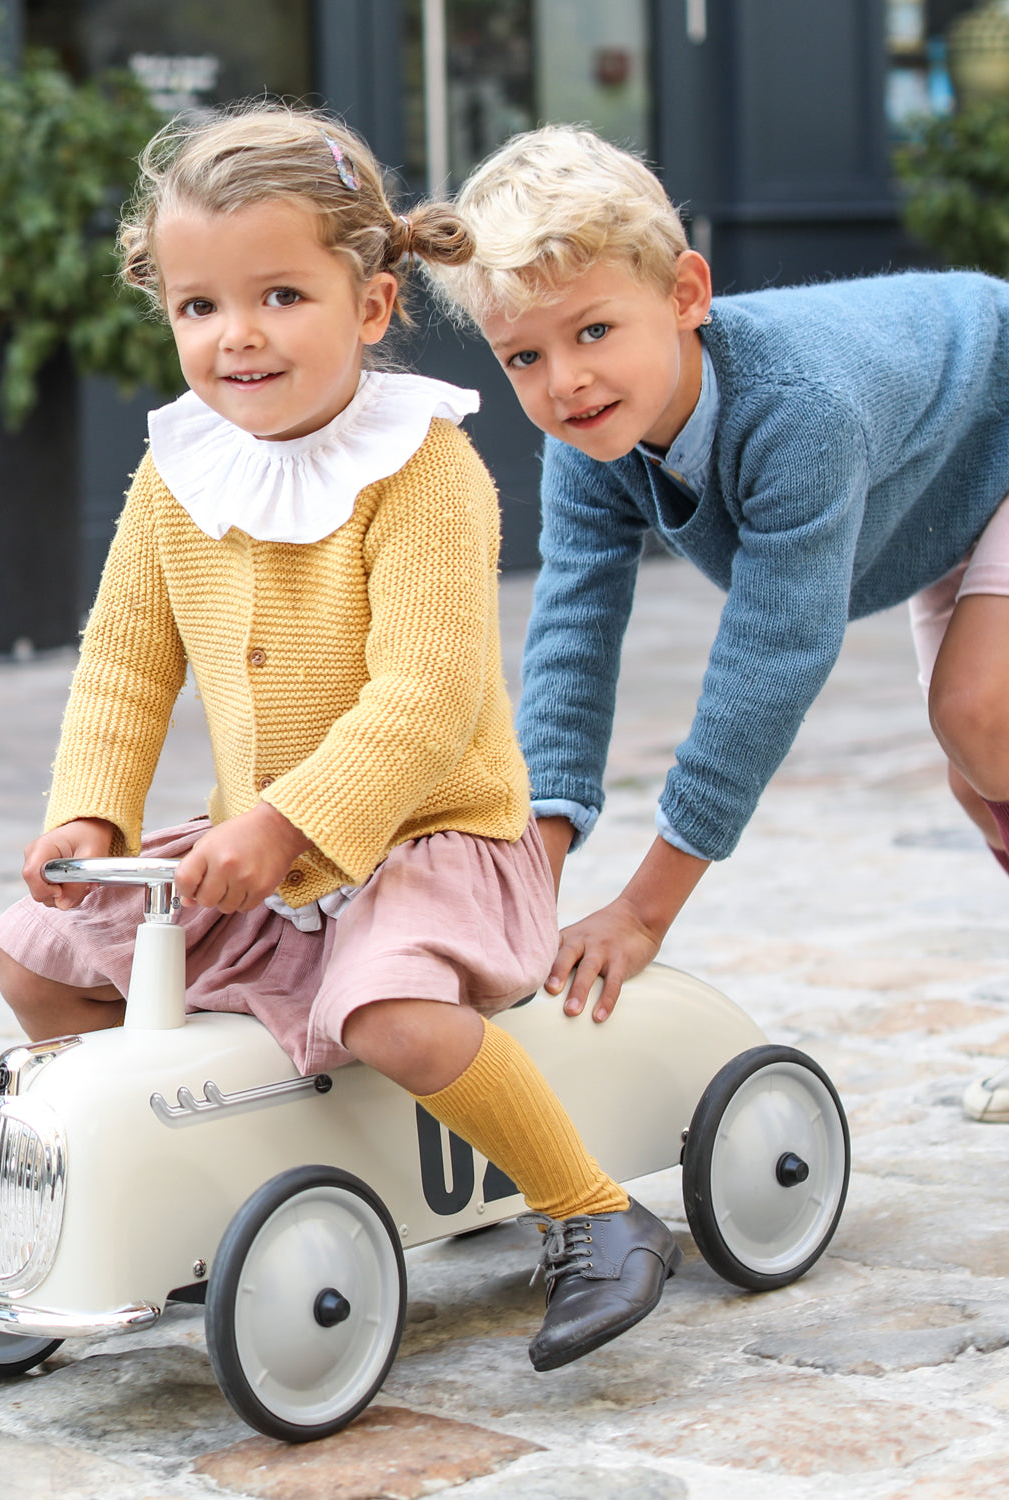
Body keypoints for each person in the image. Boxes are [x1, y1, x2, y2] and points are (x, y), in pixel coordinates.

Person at [0, 106, 683, 1372]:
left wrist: (291, 824)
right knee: (39, 959)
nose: (235, 334)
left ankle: (593, 1212)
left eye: (280, 295)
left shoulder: (426, 469)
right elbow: (126, 665)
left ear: (369, 306)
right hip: (267, 841)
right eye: (198, 307)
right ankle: (175, 1182)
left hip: (432, 835)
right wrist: (92, 808)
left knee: (394, 1016)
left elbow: (422, 699)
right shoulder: (177, 472)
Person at [427, 124, 1009, 1125]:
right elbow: (571, 638)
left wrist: (643, 909)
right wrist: (524, 894)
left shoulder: (800, 411)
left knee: (979, 713)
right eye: (525, 354)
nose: (565, 380)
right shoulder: (587, 445)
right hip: (942, 493)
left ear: (687, 296)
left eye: (594, 332)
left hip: (997, 422)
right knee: (985, 777)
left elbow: (772, 659)